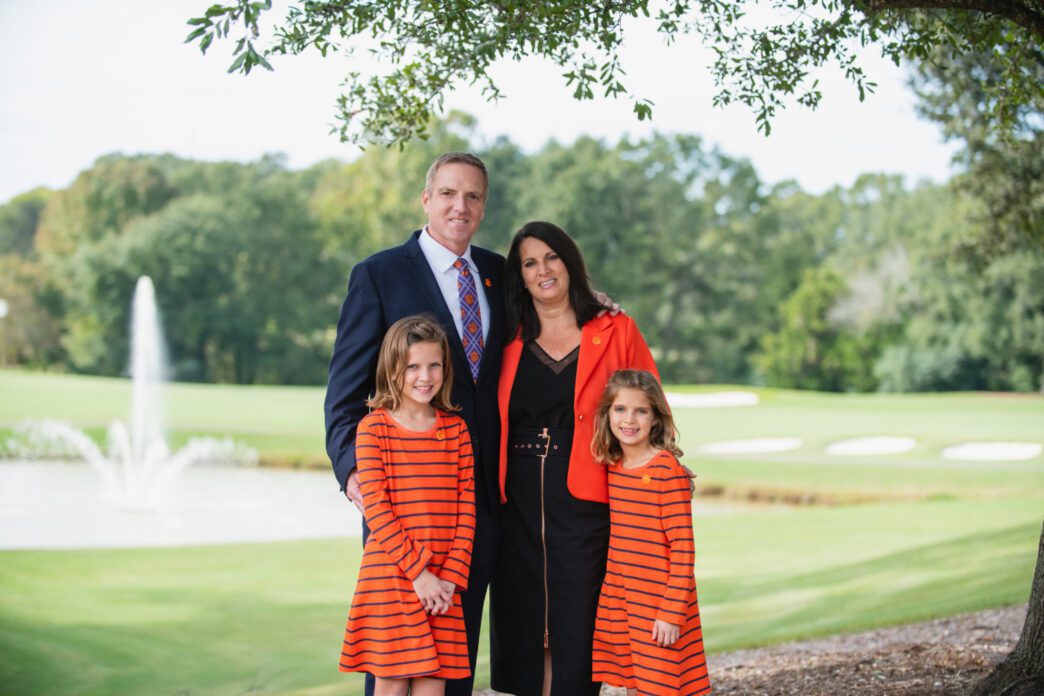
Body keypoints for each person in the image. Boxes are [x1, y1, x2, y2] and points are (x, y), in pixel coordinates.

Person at [325, 152, 505, 696]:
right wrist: (354, 474)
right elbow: (344, 393)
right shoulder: (378, 275)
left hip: (476, 512)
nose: (460, 206)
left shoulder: (498, 273)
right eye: (448, 193)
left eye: (473, 196)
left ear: (483, 205)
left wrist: (597, 302)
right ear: (426, 199)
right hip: (401, 509)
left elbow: (554, 304)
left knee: (453, 661)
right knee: (394, 662)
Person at [490, 221, 659, 696]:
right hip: (514, 501)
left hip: (587, 497)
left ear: (570, 261)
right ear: (519, 276)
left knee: (578, 626)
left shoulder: (616, 328)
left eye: (551, 257)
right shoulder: (505, 334)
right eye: (529, 262)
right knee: (524, 629)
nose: (542, 270)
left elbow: (651, 411)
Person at [339, 316, 476, 695]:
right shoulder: (373, 429)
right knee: (392, 683)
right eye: (412, 366)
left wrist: (448, 578)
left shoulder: (456, 430)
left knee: (434, 684)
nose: (424, 376)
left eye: (434, 365)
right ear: (393, 369)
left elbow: (467, 510)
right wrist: (419, 574)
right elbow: (378, 511)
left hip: (443, 587)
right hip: (394, 578)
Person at [590, 369, 711, 696]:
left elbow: (683, 549)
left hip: (660, 609)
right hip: (624, 604)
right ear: (608, 414)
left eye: (640, 410)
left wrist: (671, 613)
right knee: (637, 686)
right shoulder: (613, 467)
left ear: (656, 418)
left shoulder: (665, 470)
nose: (629, 419)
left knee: (661, 687)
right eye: (620, 409)